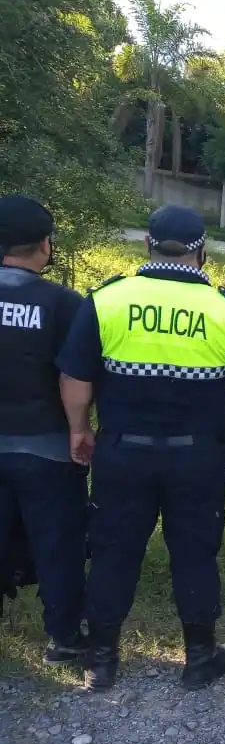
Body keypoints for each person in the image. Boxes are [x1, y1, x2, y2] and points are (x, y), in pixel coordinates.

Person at [57, 205, 225, 691]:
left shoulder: (107, 300)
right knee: (194, 553)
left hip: (122, 452)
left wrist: (78, 429)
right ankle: (198, 659)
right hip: (196, 457)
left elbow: (75, 377)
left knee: (113, 551)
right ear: (202, 252)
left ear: (147, 245)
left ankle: (102, 661)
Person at [0, 195, 88, 665]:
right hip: (47, 447)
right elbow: (74, 376)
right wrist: (80, 430)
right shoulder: (63, 303)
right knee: (58, 543)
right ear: (45, 245)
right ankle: (64, 637)